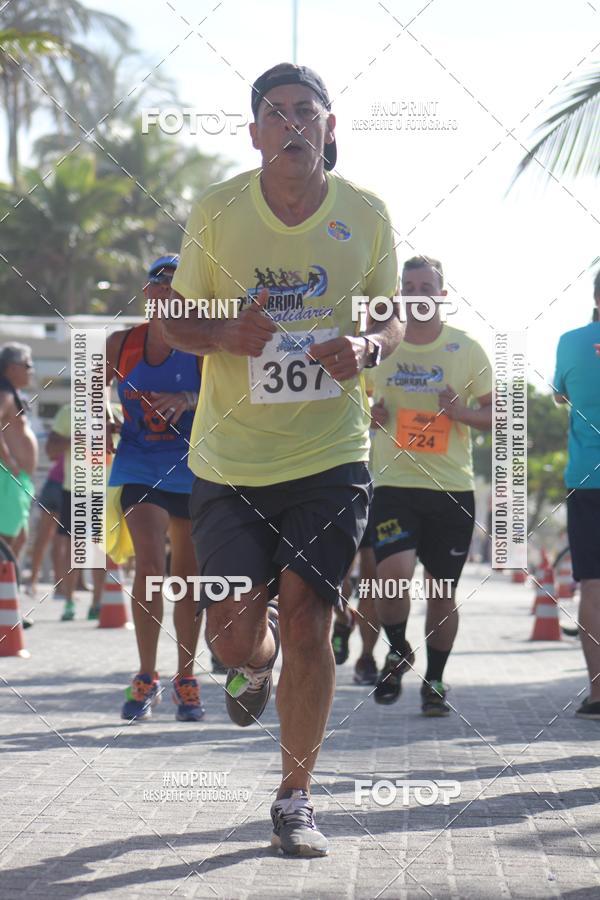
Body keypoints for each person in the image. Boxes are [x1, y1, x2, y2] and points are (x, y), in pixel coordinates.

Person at [164, 62, 402, 857]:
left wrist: (369, 344)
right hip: (230, 459)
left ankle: (296, 796)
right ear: (255, 131)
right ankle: (248, 664)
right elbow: (177, 324)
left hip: (330, 453)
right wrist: (224, 333)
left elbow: (391, 317)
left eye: (307, 111)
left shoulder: (366, 214)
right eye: (276, 112)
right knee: (234, 636)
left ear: (329, 127)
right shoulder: (218, 210)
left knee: (311, 624)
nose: (293, 123)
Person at [367, 256, 492, 715]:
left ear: (442, 294)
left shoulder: (466, 349)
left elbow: (500, 415)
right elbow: (354, 404)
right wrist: (370, 415)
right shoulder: (381, 347)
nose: (417, 293)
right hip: (394, 483)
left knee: (442, 593)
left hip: (450, 490)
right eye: (409, 285)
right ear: (400, 294)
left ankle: (435, 680)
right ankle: (398, 648)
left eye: (426, 286)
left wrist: (461, 414)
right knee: (391, 577)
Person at [106, 254, 205, 723]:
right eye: (159, 286)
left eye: (177, 286)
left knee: (185, 577)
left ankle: (186, 678)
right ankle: (146, 676)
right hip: (139, 464)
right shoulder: (120, 344)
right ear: (147, 294)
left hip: (193, 468)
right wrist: (98, 416)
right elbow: (87, 395)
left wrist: (187, 399)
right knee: (149, 564)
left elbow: (238, 399)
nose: (167, 293)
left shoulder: (206, 348)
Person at [553, 268, 600, 719]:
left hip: (588, 480)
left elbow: (559, 395)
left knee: (592, 584)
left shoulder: (571, 341)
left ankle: (598, 692)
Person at [46, 404, 104, 620]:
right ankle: (69, 602)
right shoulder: (69, 412)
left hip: (105, 490)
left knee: (101, 549)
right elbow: (50, 450)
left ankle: (97, 603)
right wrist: (76, 439)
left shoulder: (117, 411)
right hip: (76, 488)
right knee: (75, 547)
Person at [331, 506, 381, 685]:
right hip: (343, 495)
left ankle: (366, 658)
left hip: (378, 499)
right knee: (334, 581)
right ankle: (344, 620)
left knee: (371, 586)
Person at [0, 343, 37, 560]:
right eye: (27, 365)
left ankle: (5, 588)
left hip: (18, 478)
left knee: (20, 536)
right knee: (6, 538)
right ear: (12, 368)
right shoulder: (4, 394)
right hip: (8, 475)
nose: (31, 371)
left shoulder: (12, 394)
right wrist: (7, 459)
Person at [25, 455, 64, 597]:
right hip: (65, 486)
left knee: (44, 537)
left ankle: (32, 581)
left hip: (52, 482)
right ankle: (59, 585)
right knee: (59, 539)